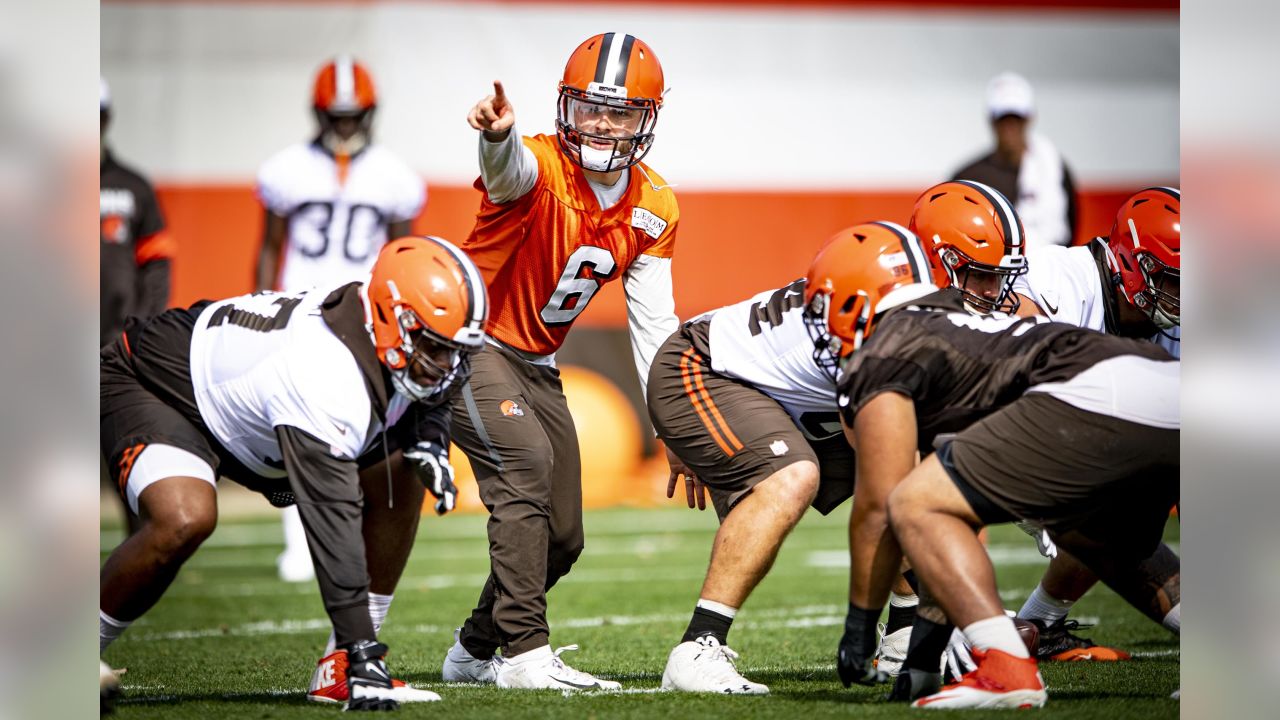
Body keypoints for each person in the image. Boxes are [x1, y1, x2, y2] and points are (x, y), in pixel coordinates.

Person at [100, 236, 485, 710]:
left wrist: (430, 435)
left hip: (251, 415)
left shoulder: (375, 320)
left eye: (454, 351)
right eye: (433, 347)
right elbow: (332, 522)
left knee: (404, 466)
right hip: (159, 387)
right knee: (184, 518)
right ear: (392, 319)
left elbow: (436, 389)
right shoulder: (325, 372)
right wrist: (364, 651)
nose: (445, 366)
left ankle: (335, 670)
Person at [815, 259, 1179, 709]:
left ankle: (1007, 669)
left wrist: (860, 626)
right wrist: (924, 665)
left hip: (1089, 393)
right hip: (1165, 380)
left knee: (916, 502)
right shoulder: (959, 322)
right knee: (1095, 536)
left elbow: (882, 508)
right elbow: (944, 545)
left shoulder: (887, 347)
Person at [439, 33, 680, 691]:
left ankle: (473, 650)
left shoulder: (656, 207)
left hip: (537, 363)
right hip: (468, 341)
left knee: (565, 535)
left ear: (646, 120)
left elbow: (656, 326)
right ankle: (523, 656)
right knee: (524, 463)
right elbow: (507, 171)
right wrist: (496, 138)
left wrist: (679, 422)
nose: (602, 124)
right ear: (564, 107)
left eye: (620, 111)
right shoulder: (539, 164)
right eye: (590, 107)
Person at [647, 222, 924, 693]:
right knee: (794, 476)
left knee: (912, 467)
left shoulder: (872, 313)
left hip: (780, 392)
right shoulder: (853, 341)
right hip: (699, 368)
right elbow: (890, 488)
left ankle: (906, 630)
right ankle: (697, 646)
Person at [836, 179, 1027, 688]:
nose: (994, 293)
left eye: (999, 277)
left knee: (932, 501)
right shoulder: (897, 325)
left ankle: (989, 648)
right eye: (981, 276)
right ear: (940, 266)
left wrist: (860, 626)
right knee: (919, 498)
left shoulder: (952, 334)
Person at [253, 56, 425, 585]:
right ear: (319, 113)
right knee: (293, 425)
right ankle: (298, 544)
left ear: (368, 114)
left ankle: (343, 535)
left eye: (353, 116)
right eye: (337, 116)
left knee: (360, 429)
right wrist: (258, 301)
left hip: (363, 316)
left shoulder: (393, 175)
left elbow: (403, 250)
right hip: (298, 310)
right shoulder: (287, 169)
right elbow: (270, 245)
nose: (344, 126)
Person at [997, 186, 1181, 661]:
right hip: (1010, 426)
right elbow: (1006, 357)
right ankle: (927, 629)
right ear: (1130, 262)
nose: (1186, 296)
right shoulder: (1058, 279)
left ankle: (1038, 625)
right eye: (1174, 280)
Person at [952, 72, 1078, 250]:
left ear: (1029, 118)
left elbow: (1069, 231)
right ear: (991, 120)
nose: (1009, 125)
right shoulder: (968, 179)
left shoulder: (1054, 169)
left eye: (1016, 117)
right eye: (1003, 117)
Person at [100, 76, 174, 350]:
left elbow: (157, 262)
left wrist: (144, 327)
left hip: (119, 342)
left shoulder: (134, 187)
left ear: (106, 119)